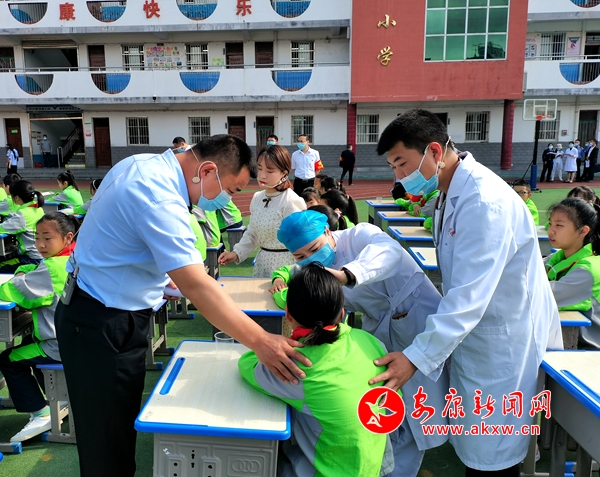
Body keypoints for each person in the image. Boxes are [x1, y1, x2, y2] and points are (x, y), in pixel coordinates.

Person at [54, 135, 311, 477]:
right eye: (230, 190)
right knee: (106, 440)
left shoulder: (141, 164)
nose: (225, 199)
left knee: (114, 428)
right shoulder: (159, 195)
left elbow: (118, 240)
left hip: (101, 308)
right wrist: (261, 341)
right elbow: (197, 285)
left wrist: (158, 280)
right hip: (101, 320)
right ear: (207, 171)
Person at [375, 109, 562, 476]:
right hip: (479, 339)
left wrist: (414, 357)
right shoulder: (450, 193)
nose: (398, 176)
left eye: (402, 164)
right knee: (476, 445)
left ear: (433, 151)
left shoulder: (483, 200)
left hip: (503, 346)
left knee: (493, 458)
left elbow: (468, 297)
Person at [271, 209, 450, 477]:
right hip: (378, 330)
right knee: (382, 401)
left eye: (315, 249)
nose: (310, 258)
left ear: (328, 232)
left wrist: (347, 275)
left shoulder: (358, 236)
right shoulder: (309, 265)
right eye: (300, 255)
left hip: (417, 322)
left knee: (414, 407)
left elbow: (389, 251)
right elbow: (293, 274)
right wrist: (281, 281)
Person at [239, 264, 394, 477]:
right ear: (342, 313)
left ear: (288, 314)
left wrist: (271, 343)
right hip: (375, 466)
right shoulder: (370, 341)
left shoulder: (296, 365)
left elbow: (247, 365)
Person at [0, 212, 79, 442]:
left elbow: (13, 291)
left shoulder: (52, 267)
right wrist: (25, 272)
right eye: (37, 238)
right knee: (27, 343)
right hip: (74, 336)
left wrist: (19, 274)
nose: (40, 244)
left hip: (58, 343)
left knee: (8, 359)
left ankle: (40, 411)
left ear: (67, 237)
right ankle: (56, 399)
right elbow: (35, 276)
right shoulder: (73, 257)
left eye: (47, 238)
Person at [218, 145, 305, 277]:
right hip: (262, 264)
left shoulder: (291, 201)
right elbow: (252, 233)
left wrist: (287, 274)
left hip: (285, 268)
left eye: (270, 171)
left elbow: (302, 243)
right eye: (260, 169)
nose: (262, 175)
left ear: (284, 173)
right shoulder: (257, 198)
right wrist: (236, 253)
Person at [546, 198, 600, 350]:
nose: (551, 230)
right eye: (550, 223)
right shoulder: (557, 257)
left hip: (590, 350)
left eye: (559, 225)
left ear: (583, 231)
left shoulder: (588, 270)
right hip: (567, 340)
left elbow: (542, 295)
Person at [0, 180, 45, 273]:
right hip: (40, 255)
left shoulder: (23, 215)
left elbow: (2, 228)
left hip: (31, 259)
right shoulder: (38, 208)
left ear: (16, 198)